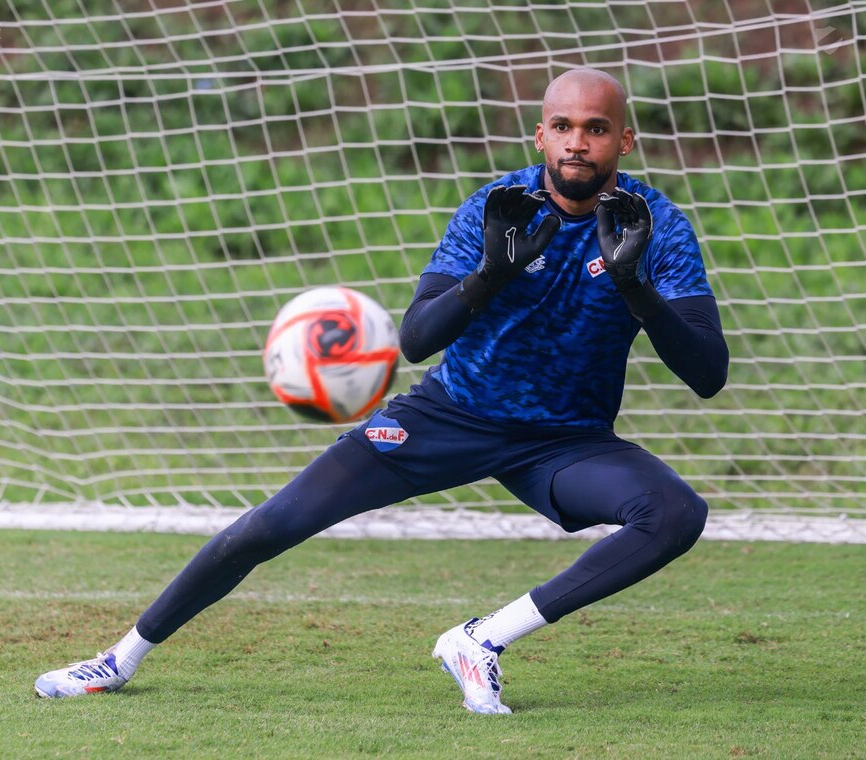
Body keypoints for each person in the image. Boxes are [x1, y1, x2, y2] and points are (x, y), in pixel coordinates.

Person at [35, 67, 728, 714]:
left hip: (565, 440)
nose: (579, 142)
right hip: (449, 415)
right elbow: (419, 339)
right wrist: (489, 276)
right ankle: (119, 659)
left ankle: (479, 640)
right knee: (273, 524)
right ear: (541, 134)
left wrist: (637, 286)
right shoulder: (499, 207)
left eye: (597, 128)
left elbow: (707, 373)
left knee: (673, 514)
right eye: (565, 126)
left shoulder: (654, 227)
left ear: (624, 140)